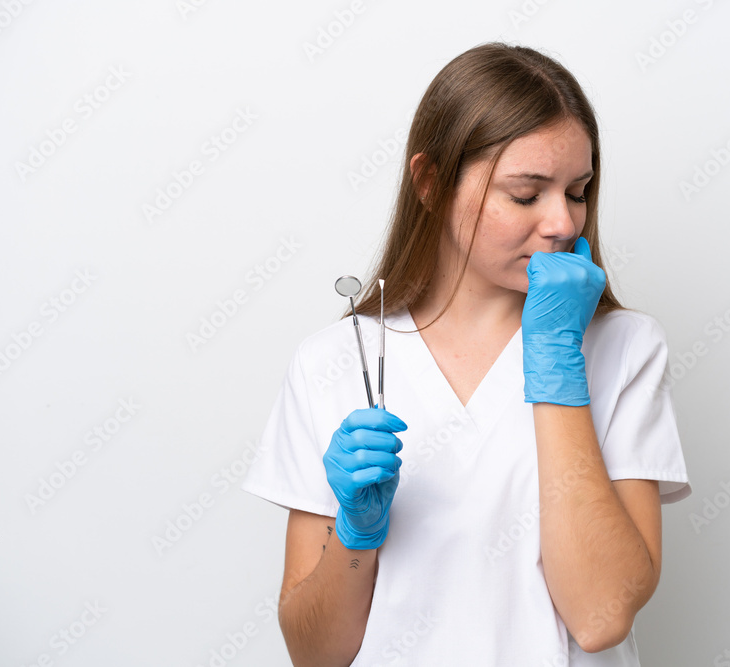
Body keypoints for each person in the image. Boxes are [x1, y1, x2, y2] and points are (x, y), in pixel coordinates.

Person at [241, 41, 691, 667]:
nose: (564, 222)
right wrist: (356, 535)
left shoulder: (624, 349)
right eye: (527, 195)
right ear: (429, 182)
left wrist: (556, 360)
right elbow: (316, 655)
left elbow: (600, 616)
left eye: (579, 190)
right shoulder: (332, 364)